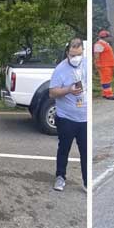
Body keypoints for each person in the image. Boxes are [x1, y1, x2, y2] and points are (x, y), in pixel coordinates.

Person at [49, 38, 87, 192]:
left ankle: (86, 182)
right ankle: (60, 177)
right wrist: (68, 90)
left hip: (85, 118)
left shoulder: (86, 65)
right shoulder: (60, 69)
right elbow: (52, 92)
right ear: (67, 53)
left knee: (85, 150)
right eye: (73, 55)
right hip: (66, 118)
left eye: (79, 54)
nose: (76, 58)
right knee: (64, 148)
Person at [94, 30, 114, 100]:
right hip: (104, 65)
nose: (110, 38)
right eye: (109, 37)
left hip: (108, 65)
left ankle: (105, 93)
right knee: (106, 80)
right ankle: (109, 95)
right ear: (105, 37)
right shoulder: (99, 44)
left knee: (107, 80)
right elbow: (96, 55)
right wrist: (97, 63)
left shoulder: (105, 43)